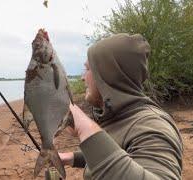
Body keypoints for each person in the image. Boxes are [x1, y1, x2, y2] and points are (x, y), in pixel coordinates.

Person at [60, 33, 183, 179]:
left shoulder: (152, 125)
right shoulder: (122, 115)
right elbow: (126, 154)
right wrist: (73, 158)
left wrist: (84, 127)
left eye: (87, 69)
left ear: (107, 74)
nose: (82, 77)